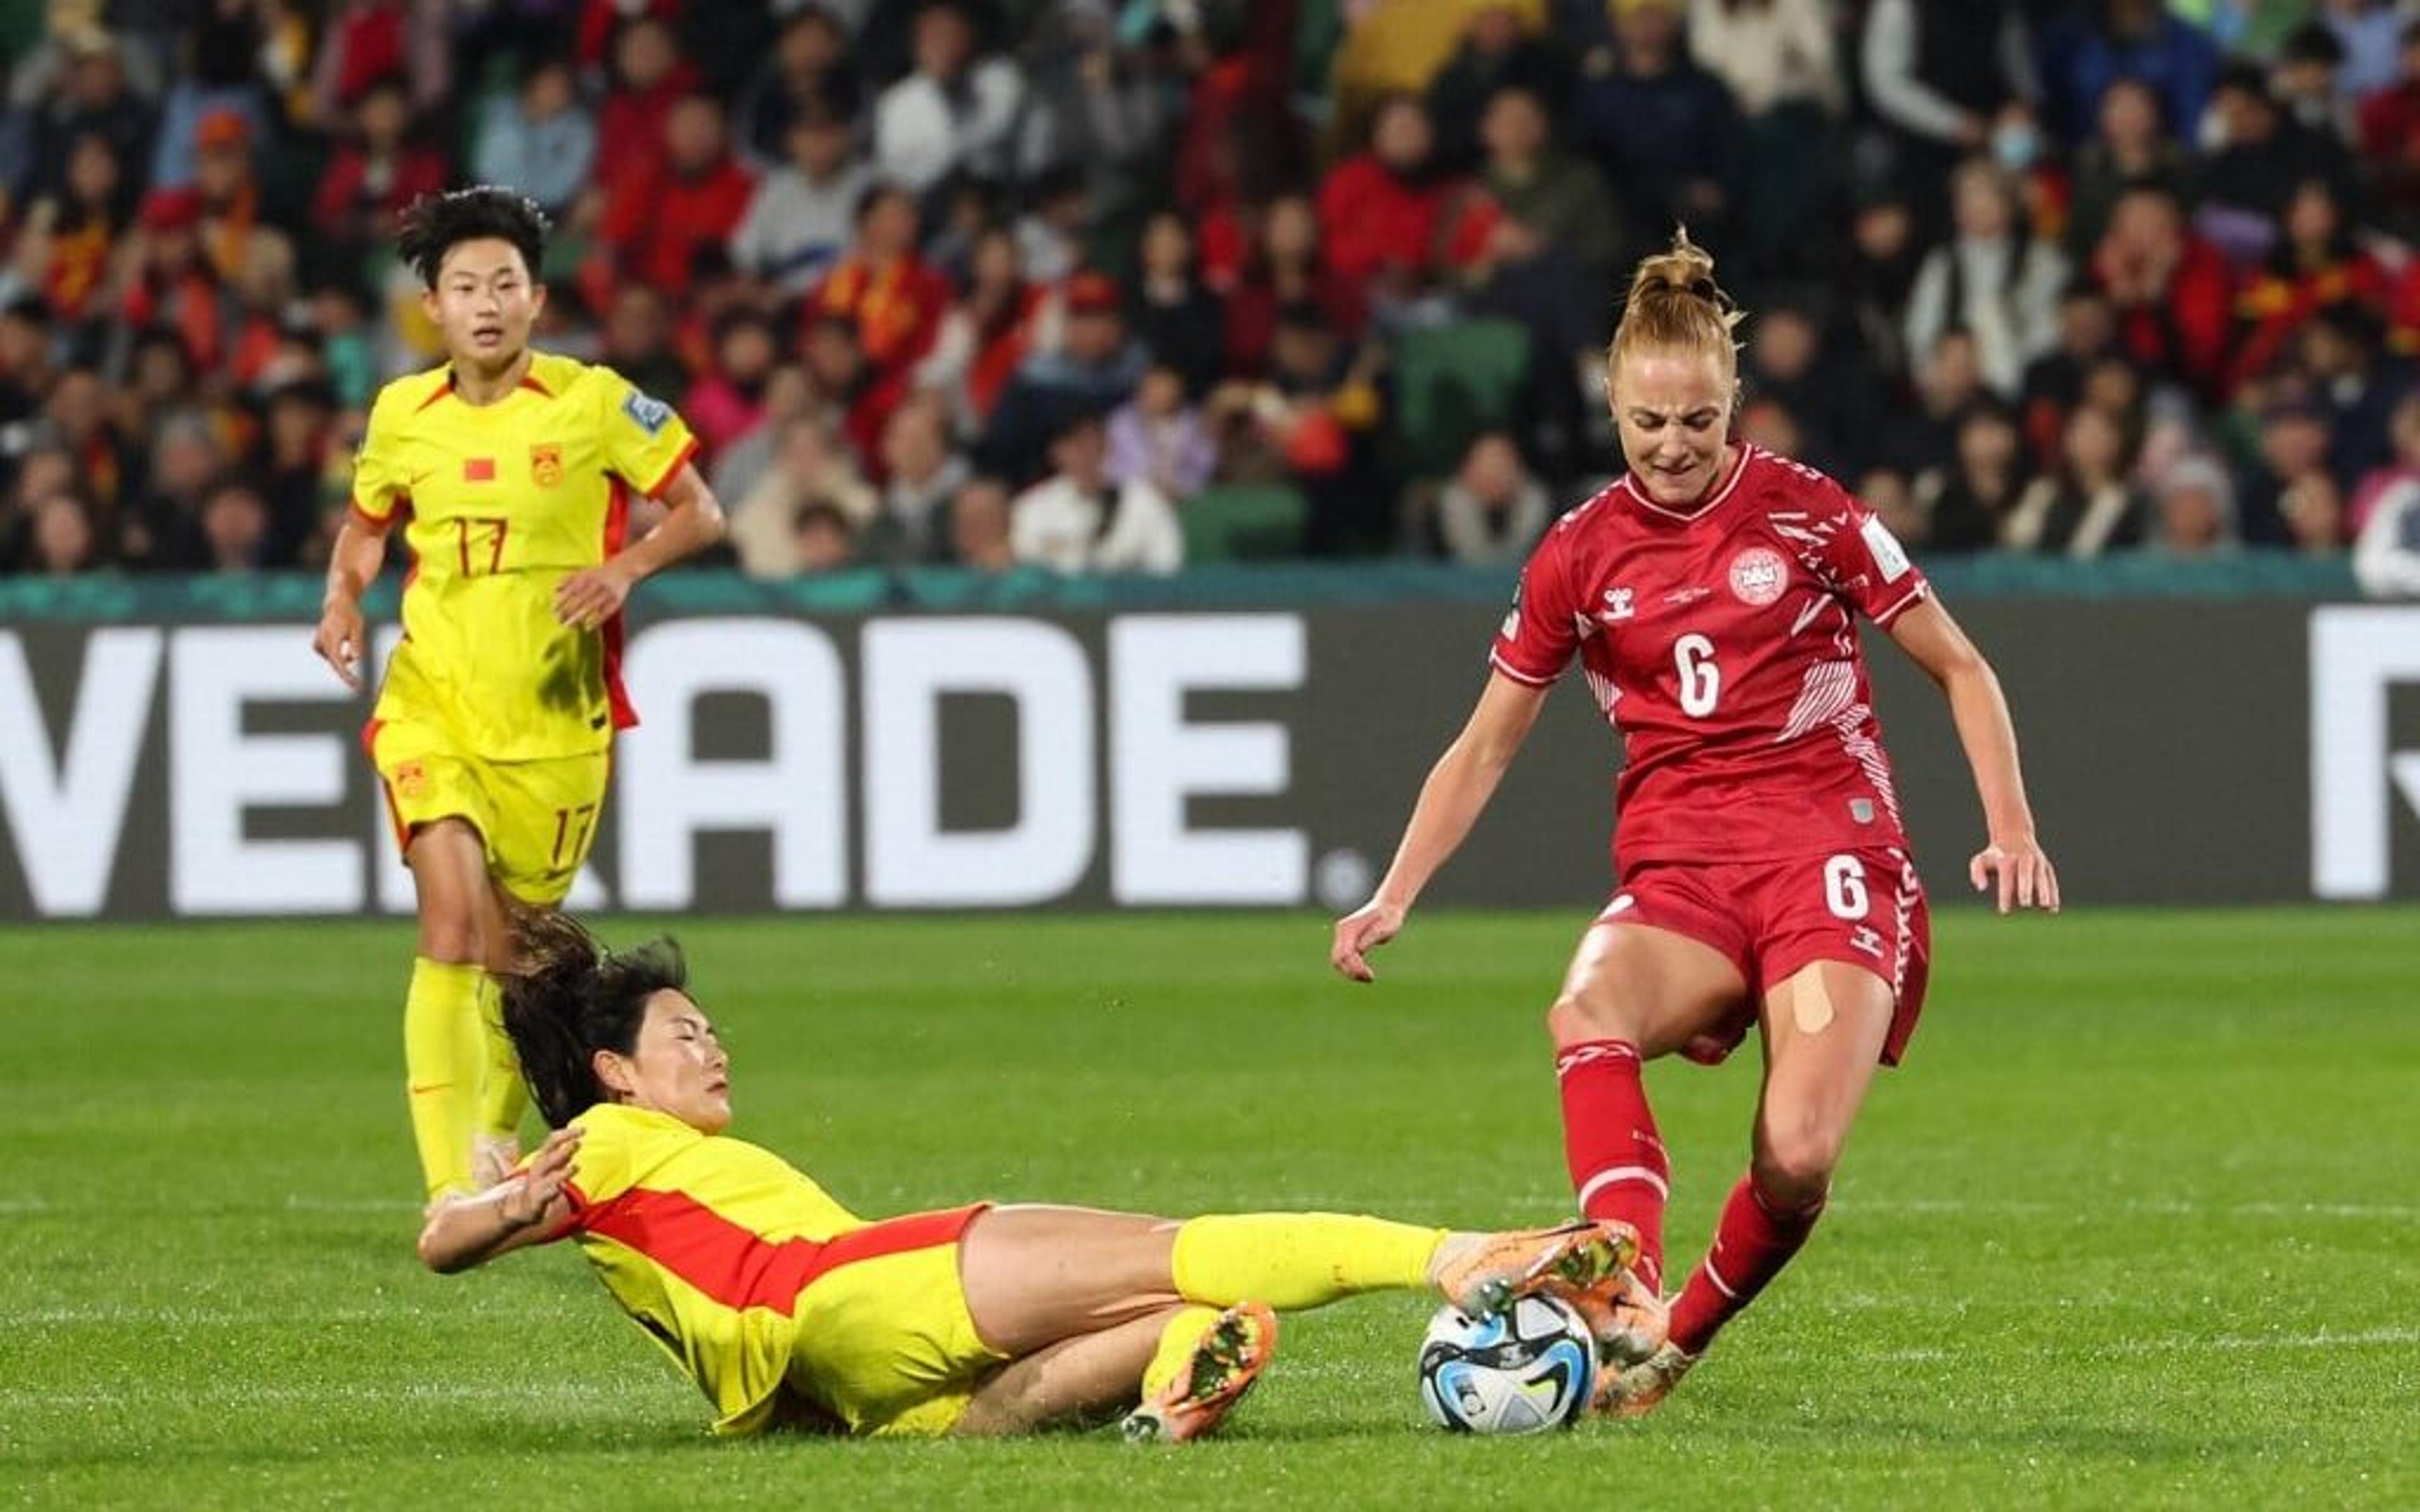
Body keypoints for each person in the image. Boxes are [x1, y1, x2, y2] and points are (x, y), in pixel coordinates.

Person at [1330, 232, 2060, 1416]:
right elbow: (1485, 744)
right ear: (1611, 406)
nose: (1673, 447)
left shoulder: (1810, 515)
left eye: (1700, 423)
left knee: (1800, 1156)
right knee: (1587, 1007)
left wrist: (2010, 826)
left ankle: (1670, 1345)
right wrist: (1395, 890)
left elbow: (1961, 668)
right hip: (1682, 868)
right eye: (1648, 424)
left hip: (1831, 855)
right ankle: (1623, 1282)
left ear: (1736, 408)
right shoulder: (1577, 553)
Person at [417, 912, 1644, 1443]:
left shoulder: (658, 1165)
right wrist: (497, 1205)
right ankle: (1454, 1255)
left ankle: (1179, 1378)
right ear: (614, 1072)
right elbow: (447, 1244)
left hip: (849, 1399)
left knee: (1167, 1317)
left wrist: (503, 1199)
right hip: (848, 1294)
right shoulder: (606, 1148)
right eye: (686, 1034)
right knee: (1173, 1242)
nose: (714, 1045)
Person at [311, 187, 727, 1205]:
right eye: (463, 287)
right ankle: (447, 1187)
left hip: (552, 727)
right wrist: (342, 599)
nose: (485, 302)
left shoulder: (593, 403)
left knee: (519, 956)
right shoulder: (403, 413)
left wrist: (625, 569)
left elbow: (699, 511)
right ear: (436, 309)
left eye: (504, 284)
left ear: (537, 301)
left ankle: (490, 1152)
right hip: (432, 702)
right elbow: (368, 526)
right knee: (450, 919)